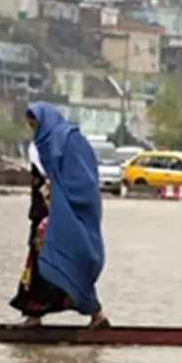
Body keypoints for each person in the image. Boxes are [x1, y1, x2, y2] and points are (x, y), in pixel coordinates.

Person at [9, 102, 110, 329]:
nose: (33, 129)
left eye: (35, 124)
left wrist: (59, 200)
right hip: (42, 214)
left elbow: (82, 179)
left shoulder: (66, 141)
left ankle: (96, 314)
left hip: (62, 216)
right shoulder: (39, 146)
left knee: (68, 262)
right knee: (41, 265)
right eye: (30, 125)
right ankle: (35, 315)